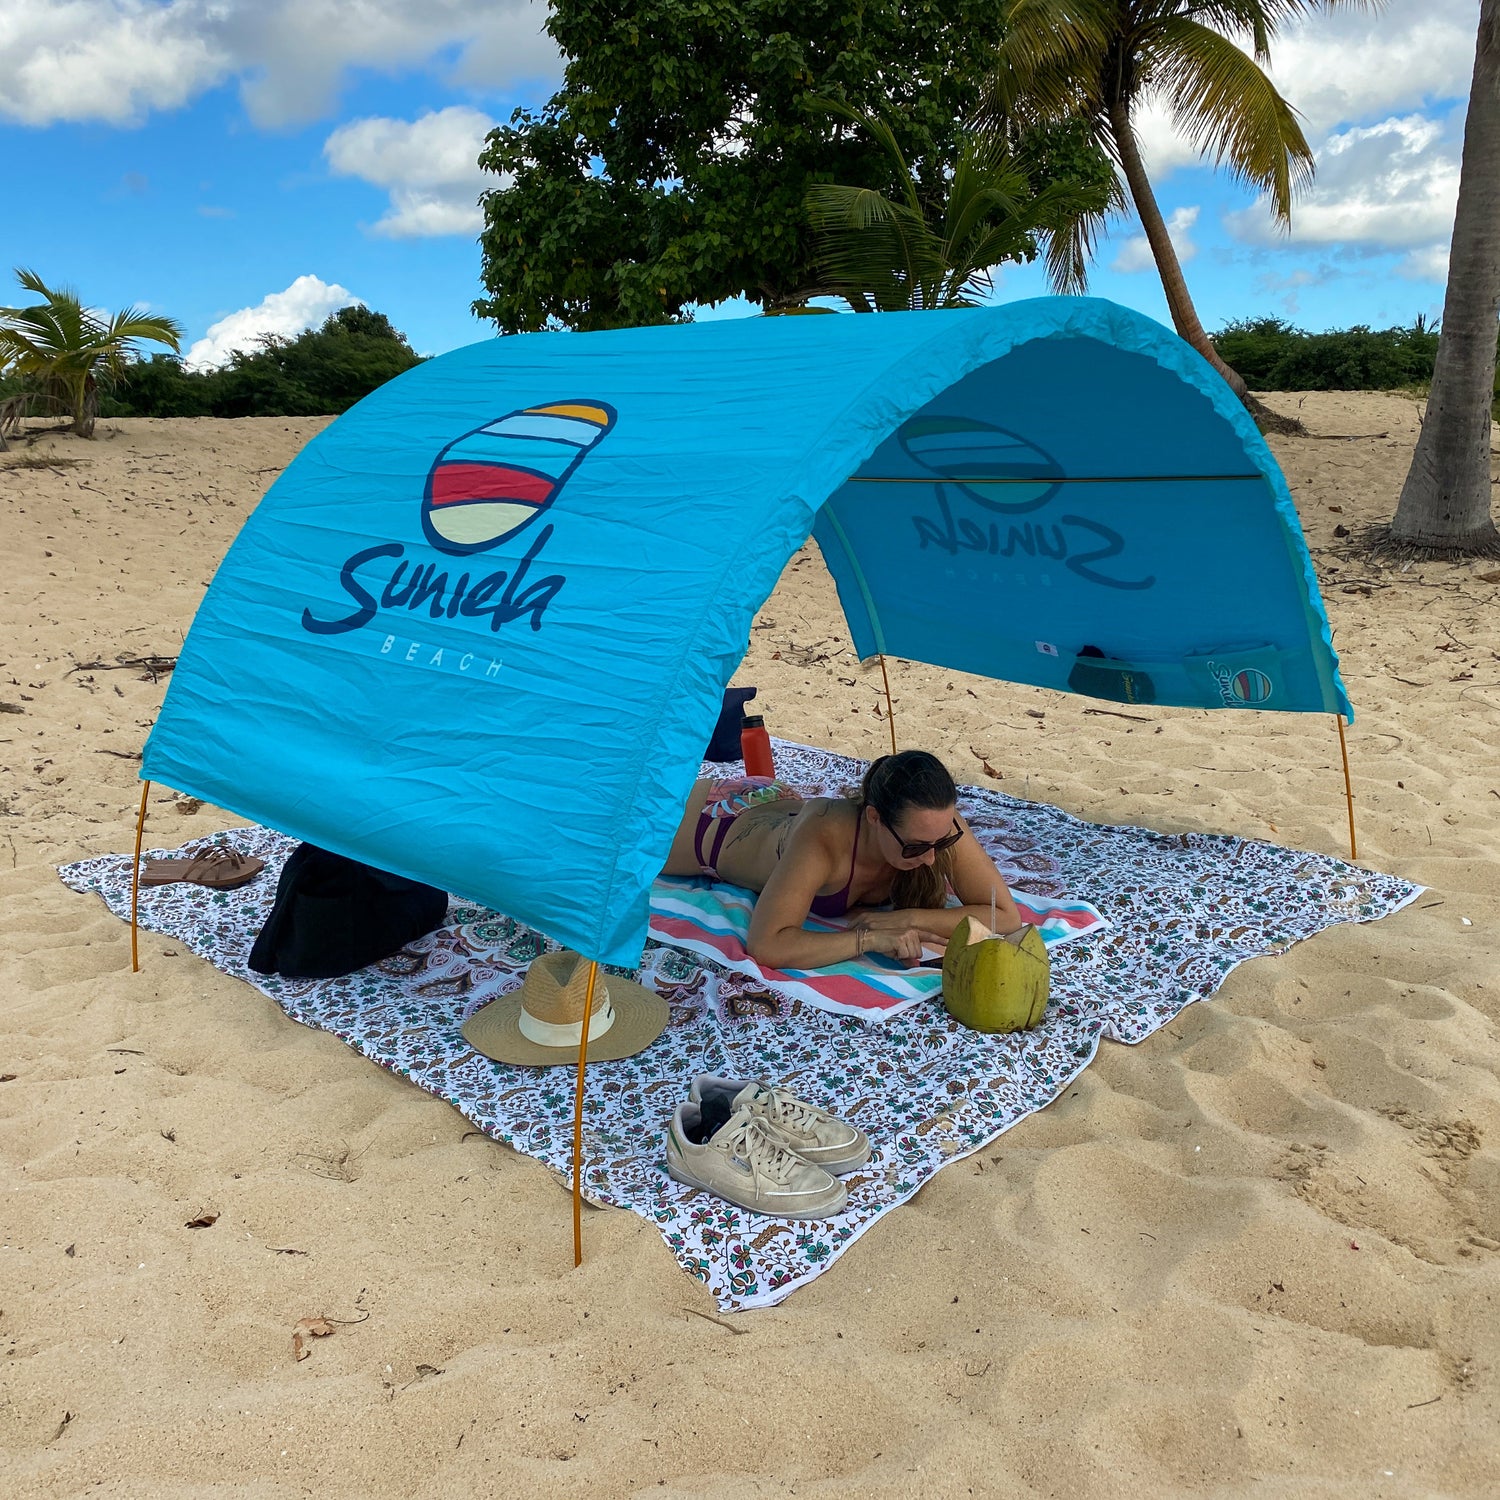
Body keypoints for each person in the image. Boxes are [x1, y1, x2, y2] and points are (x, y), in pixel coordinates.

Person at [661, 749, 1024, 970]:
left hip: (774, 802)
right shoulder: (825, 836)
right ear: (874, 818)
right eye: (914, 848)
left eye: (941, 842)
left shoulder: (934, 825)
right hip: (712, 826)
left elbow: (1004, 916)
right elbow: (768, 945)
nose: (931, 859)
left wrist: (906, 918)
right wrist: (869, 941)